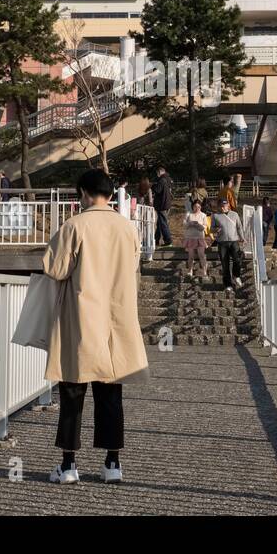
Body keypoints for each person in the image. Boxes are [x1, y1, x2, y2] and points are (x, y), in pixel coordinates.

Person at [43, 169, 148, 485]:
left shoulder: (75, 225)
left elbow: (55, 268)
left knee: (73, 392)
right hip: (116, 321)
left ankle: (68, 465)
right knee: (111, 393)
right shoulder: (127, 228)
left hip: (81, 319)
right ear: (111, 194)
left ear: (84, 194)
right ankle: (112, 463)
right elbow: (132, 266)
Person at [209, 198, 247, 292]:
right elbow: (211, 229)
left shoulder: (234, 214)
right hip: (222, 242)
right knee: (225, 264)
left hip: (234, 241)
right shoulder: (215, 216)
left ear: (228, 206)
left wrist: (242, 237)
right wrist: (215, 230)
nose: (222, 208)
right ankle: (227, 285)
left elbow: (239, 227)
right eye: (221, 206)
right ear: (218, 206)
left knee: (237, 259)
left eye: (224, 206)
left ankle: (236, 275)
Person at [182, 199, 210, 281]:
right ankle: (190, 271)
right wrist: (190, 223)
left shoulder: (203, 215)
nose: (197, 208)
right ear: (192, 207)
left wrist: (198, 225)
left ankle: (204, 272)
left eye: (199, 206)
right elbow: (184, 225)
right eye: (195, 206)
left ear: (201, 207)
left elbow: (204, 227)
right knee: (191, 256)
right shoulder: (188, 214)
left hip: (200, 238)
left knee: (201, 255)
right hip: (190, 238)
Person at [151, 165, 173, 247]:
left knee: (163, 223)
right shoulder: (168, 179)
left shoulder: (162, 180)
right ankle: (156, 239)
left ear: (159, 172)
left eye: (157, 173)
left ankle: (168, 240)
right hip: (167, 203)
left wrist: (152, 186)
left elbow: (157, 190)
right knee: (160, 223)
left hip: (162, 204)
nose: (157, 175)